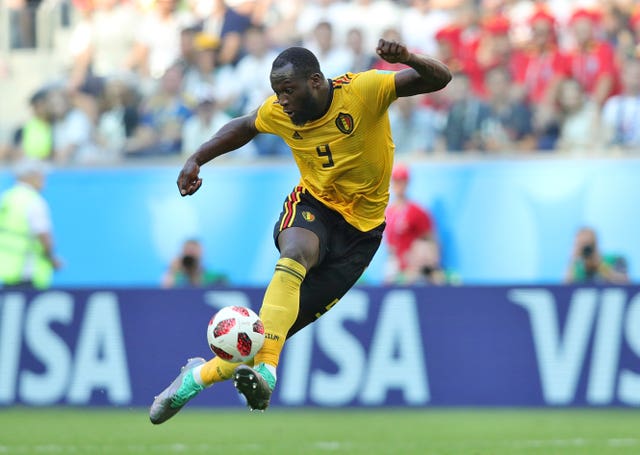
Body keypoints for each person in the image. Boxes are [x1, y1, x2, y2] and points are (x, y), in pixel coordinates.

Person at [149, 38, 451, 423]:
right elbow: (244, 126)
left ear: (315, 81)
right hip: (314, 206)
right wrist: (196, 158)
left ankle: (194, 378)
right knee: (295, 253)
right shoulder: (280, 112)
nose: (282, 100)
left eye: (288, 90)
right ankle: (267, 376)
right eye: (277, 92)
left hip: (362, 233)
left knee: (267, 333)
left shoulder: (363, 91)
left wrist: (407, 58)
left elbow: (441, 78)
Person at [0, 159, 62, 289]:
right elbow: (43, 235)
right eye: (40, 175)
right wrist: (52, 258)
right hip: (27, 269)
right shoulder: (34, 201)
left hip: (7, 268)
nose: (43, 179)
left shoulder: (7, 197)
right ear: (30, 176)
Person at [383, 164, 437, 284]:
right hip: (394, 265)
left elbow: (431, 240)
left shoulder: (417, 211)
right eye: (396, 181)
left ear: (407, 183)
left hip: (413, 269)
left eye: (402, 181)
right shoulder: (388, 212)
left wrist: (428, 265)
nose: (399, 185)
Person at [564, 226, 629, 284]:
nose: (585, 250)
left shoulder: (614, 260)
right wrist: (572, 260)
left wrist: (599, 265)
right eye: (580, 245)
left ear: (596, 245)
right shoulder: (577, 268)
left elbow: (625, 282)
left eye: (587, 245)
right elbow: (564, 290)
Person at [161, 238, 228, 288]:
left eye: (194, 251)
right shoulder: (176, 278)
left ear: (202, 253)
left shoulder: (216, 277)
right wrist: (171, 270)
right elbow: (165, 295)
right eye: (188, 251)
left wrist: (195, 273)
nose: (191, 255)